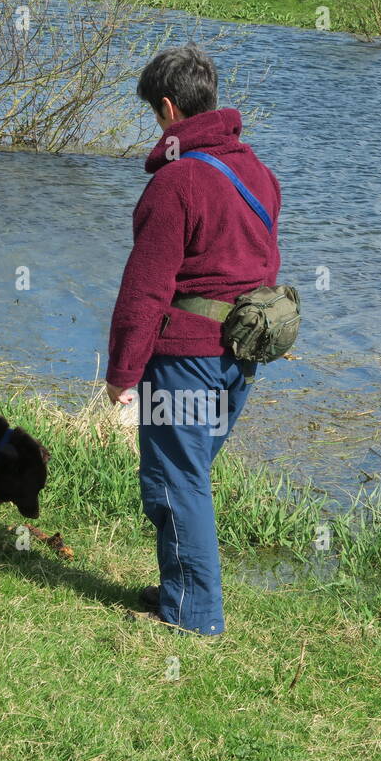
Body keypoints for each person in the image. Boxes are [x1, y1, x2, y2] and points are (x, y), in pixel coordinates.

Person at [104, 44, 282, 637]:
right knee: (180, 478)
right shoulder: (256, 171)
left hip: (185, 358)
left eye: (154, 115)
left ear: (168, 107)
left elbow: (144, 291)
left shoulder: (177, 182)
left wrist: (122, 374)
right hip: (242, 356)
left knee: (178, 481)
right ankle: (179, 588)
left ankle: (193, 616)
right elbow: (262, 265)